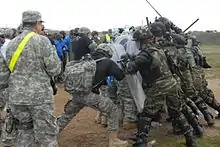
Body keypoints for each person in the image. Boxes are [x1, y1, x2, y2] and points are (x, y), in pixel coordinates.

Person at [120, 23, 197, 147]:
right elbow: (149, 60)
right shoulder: (158, 49)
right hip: (171, 84)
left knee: (146, 114)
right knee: (177, 113)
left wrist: (125, 62)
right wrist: (132, 57)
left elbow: (130, 69)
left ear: (141, 41)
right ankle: (191, 139)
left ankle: (141, 141)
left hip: (158, 87)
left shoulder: (145, 54)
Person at [0, 10, 61, 146]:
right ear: (37, 24)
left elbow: (3, 78)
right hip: (40, 98)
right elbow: (54, 69)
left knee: (25, 135)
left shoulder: (10, 45)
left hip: (17, 99)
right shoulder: (42, 41)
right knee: (48, 137)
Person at [57, 45, 128, 147]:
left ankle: (50, 134)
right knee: (113, 110)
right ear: (108, 53)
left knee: (67, 115)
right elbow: (120, 76)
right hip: (88, 95)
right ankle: (114, 140)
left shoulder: (87, 60)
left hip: (76, 93)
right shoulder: (108, 62)